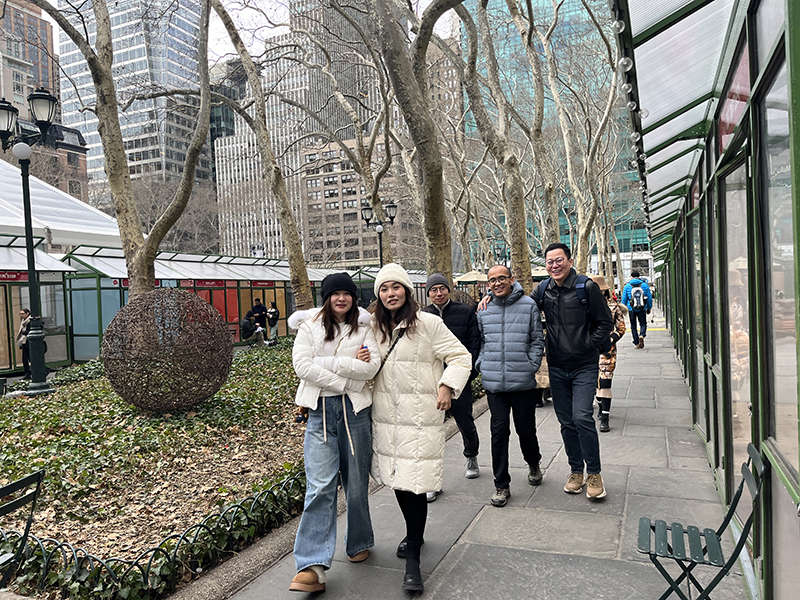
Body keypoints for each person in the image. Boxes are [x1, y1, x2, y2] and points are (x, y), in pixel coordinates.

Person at [370, 263, 471, 594]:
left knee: (417, 484)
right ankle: (415, 534)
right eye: (384, 289)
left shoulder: (429, 323)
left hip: (420, 418)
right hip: (387, 419)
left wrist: (447, 386)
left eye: (395, 287)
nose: (390, 294)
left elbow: (460, 357)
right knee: (400, 482)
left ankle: (413, 555)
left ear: (407, 291)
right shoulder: (373, 327)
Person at [287, 273, 381, 593]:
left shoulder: (366, 327)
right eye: (335, 293)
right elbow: (302, 366)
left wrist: (328, 364)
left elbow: (372, 367)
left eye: (347, 293)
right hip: (320, 414)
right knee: (320, 487)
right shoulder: (309, 327)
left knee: (356, 483)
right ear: (325, 297)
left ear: (354, 297)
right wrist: (345, 370)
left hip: (355, 412)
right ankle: (312, 565)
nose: (341, 298)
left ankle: (359, 540)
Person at [532, 243, 614, 500]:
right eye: (549, 262)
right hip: (556, 366)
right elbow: (521, 305)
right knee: (566, 422)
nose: (554, 265)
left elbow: (605, 322)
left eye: (559, 260)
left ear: (569, 261)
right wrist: (492, 296)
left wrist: (588, 345)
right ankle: (576, 471)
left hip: (583, 366)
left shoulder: (585, 287)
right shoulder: (544, 289)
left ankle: (595, 473)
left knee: (582, 417)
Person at [475, 265, 544, 508]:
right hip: (495, 385)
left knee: (526, 430)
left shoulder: (528, 305)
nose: (496, 283)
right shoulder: (483, 309)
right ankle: (501, 485)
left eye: (501, 278)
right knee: (499, 433)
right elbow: (481, 341)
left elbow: (537, 339)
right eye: (492, 280)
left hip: (522, 382)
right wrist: (482, 363)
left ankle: (533, 462)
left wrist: (531, 365)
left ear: (511, 279)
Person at [421, 273, 481, 495]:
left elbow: (475, 346)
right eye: (434, 290)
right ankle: (431, 480)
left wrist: (466, 376)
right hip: (431, 383)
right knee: (430, 431)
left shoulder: (465, 312)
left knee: (465, 422)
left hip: (459, 381)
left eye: (442, 289)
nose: (439, 293)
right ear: (428, 293)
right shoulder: (422, 316)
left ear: (449, 290)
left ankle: (471, 456)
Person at [590, 275, 626, 433]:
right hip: (588, 351)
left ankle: (605, 417)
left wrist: (610, 339)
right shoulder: (585, 306)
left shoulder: (613, 307)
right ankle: (600, 405)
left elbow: (621, 328)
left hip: (607, 352)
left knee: (605, 381)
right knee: (594, 382)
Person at [621, 270, 652, 348]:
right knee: (643, 323)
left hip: (631, 309)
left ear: (631, 277)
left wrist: (622, 308)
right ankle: (642, 334)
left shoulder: (627, 286)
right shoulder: (644, 285)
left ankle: (636, 342)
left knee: (633, 326)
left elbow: (624, 299)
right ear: (639, 276)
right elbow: (649, 298)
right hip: (642, 308)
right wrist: (649, 307)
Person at [16, 308, 31, 380]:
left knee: (30, 359)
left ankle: (44, 370)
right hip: (24, 342)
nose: (21, 315)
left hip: (29, 342)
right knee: (25, 359)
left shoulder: (30, 321)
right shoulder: (23, 321)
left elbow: (29, 331)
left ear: (27, 313)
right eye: (20, 314)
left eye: (22, 314)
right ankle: (27, 374)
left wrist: (25, 333)